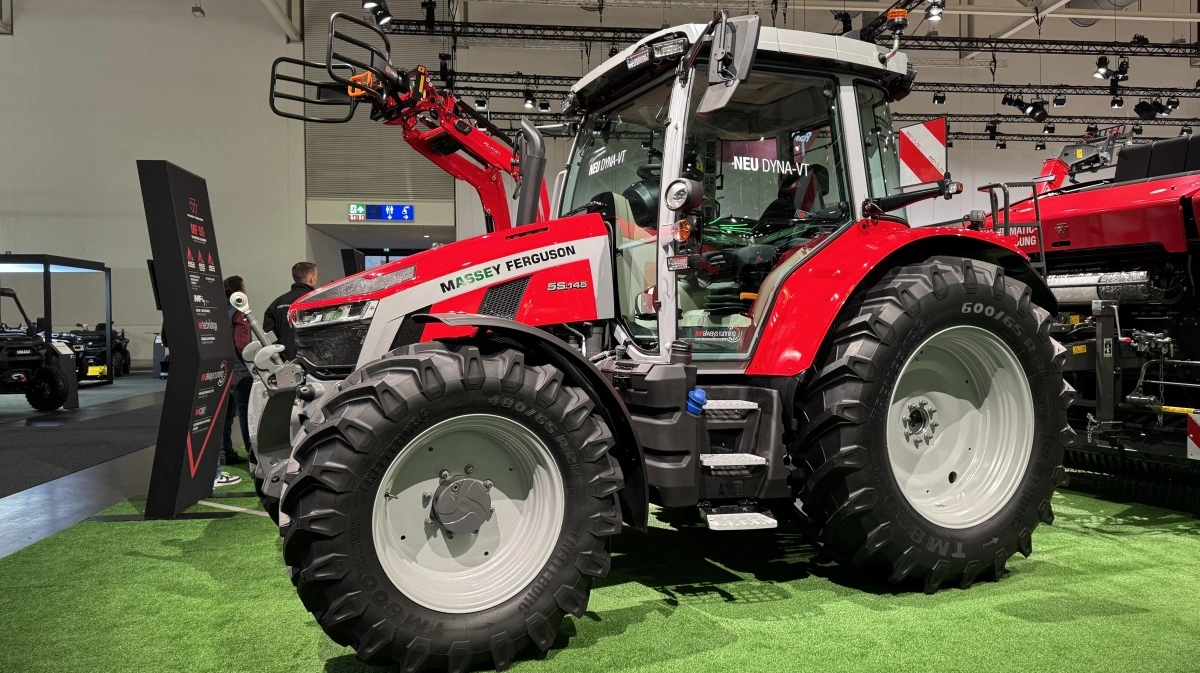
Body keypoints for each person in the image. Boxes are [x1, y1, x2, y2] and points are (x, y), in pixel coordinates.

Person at [219, 275, 254, 474]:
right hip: (240, 370)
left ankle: (226, 453)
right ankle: (253, 455)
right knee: (245, 415)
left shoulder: (217, 311)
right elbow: (242, 344)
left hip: (222, 369)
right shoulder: (239, 312)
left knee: (225, 416)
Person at [262, 261, 318, 361]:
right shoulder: (318, 301)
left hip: (284, 362)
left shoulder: (278, 303)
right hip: (313, 362)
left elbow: (268, 336)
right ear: (311, 278)